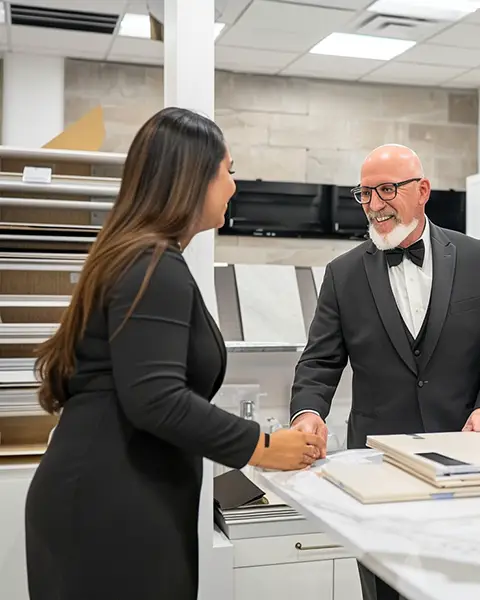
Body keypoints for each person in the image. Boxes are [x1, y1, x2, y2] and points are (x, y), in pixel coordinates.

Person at [25, 107, 326, 600]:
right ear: (192, 178)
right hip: (112, 506)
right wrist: (264, 447)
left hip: (118, 493)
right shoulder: (153, 264)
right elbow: (157, 398)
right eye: (228, 170)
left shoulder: (140, 255)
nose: (233, 185)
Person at [289, 144, 480, 600]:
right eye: (364, 193)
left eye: (386, 190)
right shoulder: (343, 274)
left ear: (422, 191)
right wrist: (306, 413)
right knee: (383, 589)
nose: (374, 205)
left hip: (464, 456)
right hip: (377, 464)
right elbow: (320, 360)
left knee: (463, 583)